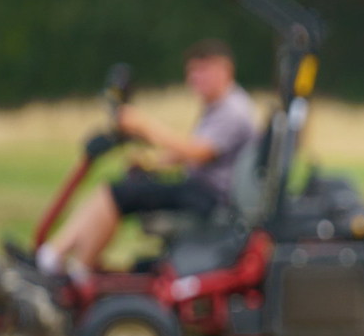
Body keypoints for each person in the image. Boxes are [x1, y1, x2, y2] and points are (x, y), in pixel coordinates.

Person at [37, 40, 259, 275]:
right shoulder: (221, 106)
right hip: (202, 191)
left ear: (225, 69)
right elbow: (199, 153)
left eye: (202, 71)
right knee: (124, 187)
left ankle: (60, 262)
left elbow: (198, 152)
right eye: (192, 72)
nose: (195, 79)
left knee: (117, 193)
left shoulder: (233, 110)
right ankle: (67, 260)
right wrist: (153, 162)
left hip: (209, 197)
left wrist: (145, 125)